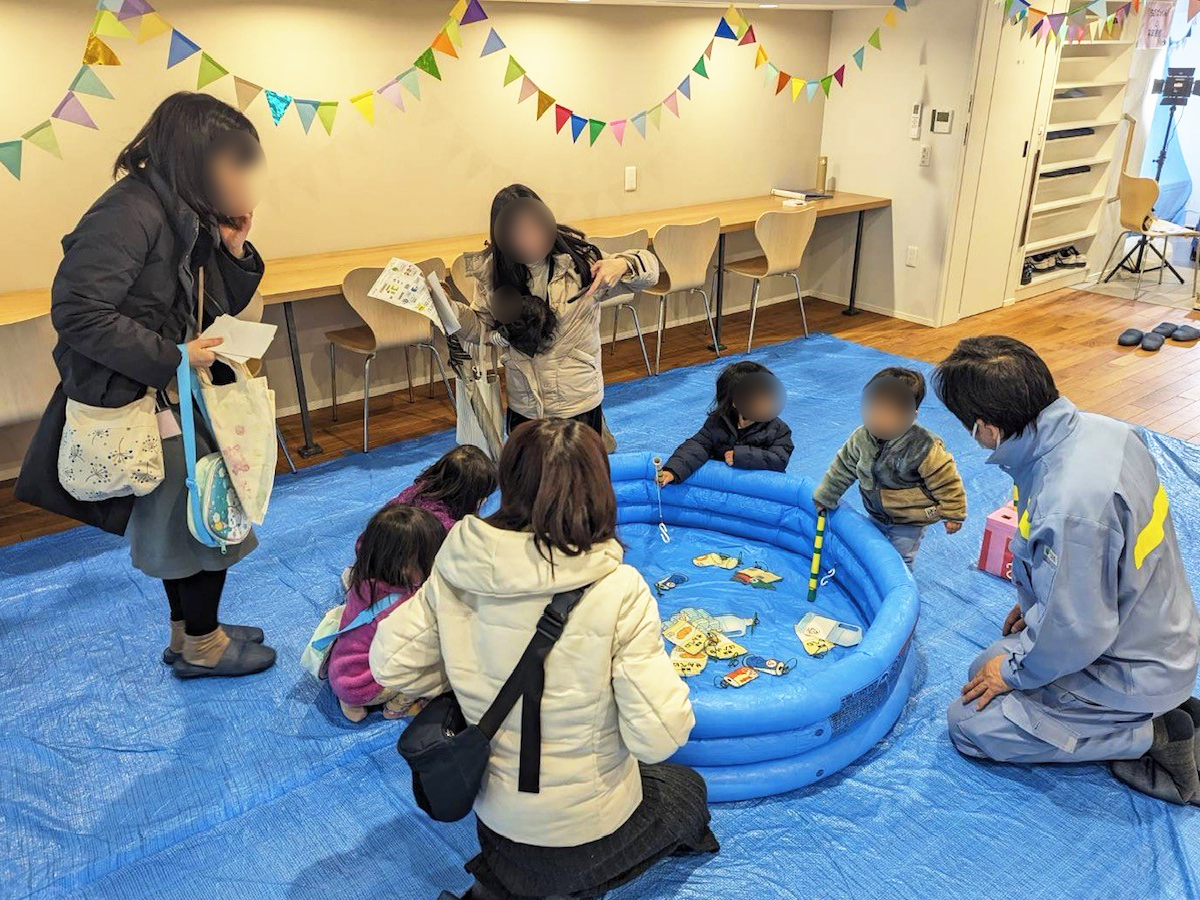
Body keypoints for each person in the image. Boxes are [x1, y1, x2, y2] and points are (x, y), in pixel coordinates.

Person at [370, 419, 717, 900]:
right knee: (686, 793)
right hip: (582, 831)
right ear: (599, 488)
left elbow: (390, 664)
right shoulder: (619, 589)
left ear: (509, 481)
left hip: (495, 813)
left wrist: (467, 661)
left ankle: (508, 883)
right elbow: (659, 736)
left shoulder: (459, 564)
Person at [15, 92, 276, 679]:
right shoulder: (129, 211)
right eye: (234, 162)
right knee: (203, 516)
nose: (242, 176)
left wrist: (232, 245)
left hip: (169, 391)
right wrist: (173, 356)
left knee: (184, 515)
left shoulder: (177, 208)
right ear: (197, 155)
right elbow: (78, 311)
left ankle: (189, 633)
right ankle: (204, 647)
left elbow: (209, 307)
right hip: (144, 395)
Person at [935, 336, 1200, 805]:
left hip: (1127, 664)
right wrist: (1036, 600)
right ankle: (1139, 711)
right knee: (983, 668)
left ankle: (1152, 733)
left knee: (970, 725)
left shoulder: (1071, 504)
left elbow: (1079, 630)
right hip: (1152, 629)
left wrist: (1015, 672)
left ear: (985, 429)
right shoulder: (1106, 431)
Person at [447, 184, 659, 436]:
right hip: (525, 404)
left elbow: (651, 271)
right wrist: (448, 308)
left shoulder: (578, 262)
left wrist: (623, 264)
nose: (529, 238)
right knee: (530, 475)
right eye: (517, 232)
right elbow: (481, 329)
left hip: (577, 400)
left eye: (534, 227)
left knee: (580, 474)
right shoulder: (493, 273)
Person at [812, 367, 966, 567]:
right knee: (873, 550)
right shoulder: (861, 437)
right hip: (877, 512)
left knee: (900, 559)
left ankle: (899, 590)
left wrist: (953, 512)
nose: (879, 419)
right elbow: (843, 467)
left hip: (910, 519)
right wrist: (826, 495)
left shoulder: (924, 446)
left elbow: (946, 480)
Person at [329, 504, 447, 723]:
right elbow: (419, 649)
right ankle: (395, 708)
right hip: (365, 685)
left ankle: (351, 704)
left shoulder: (362, 580)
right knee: (435, 669)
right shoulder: (403, 608)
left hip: (341, 672)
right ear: (407, 568)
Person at [658, 361, 793, 486]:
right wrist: (673, 470)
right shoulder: (718, 422)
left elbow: (779, 460)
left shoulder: (778, 430)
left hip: (758, 488)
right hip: (724, 487)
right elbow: (698, 446)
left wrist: (740, 455)